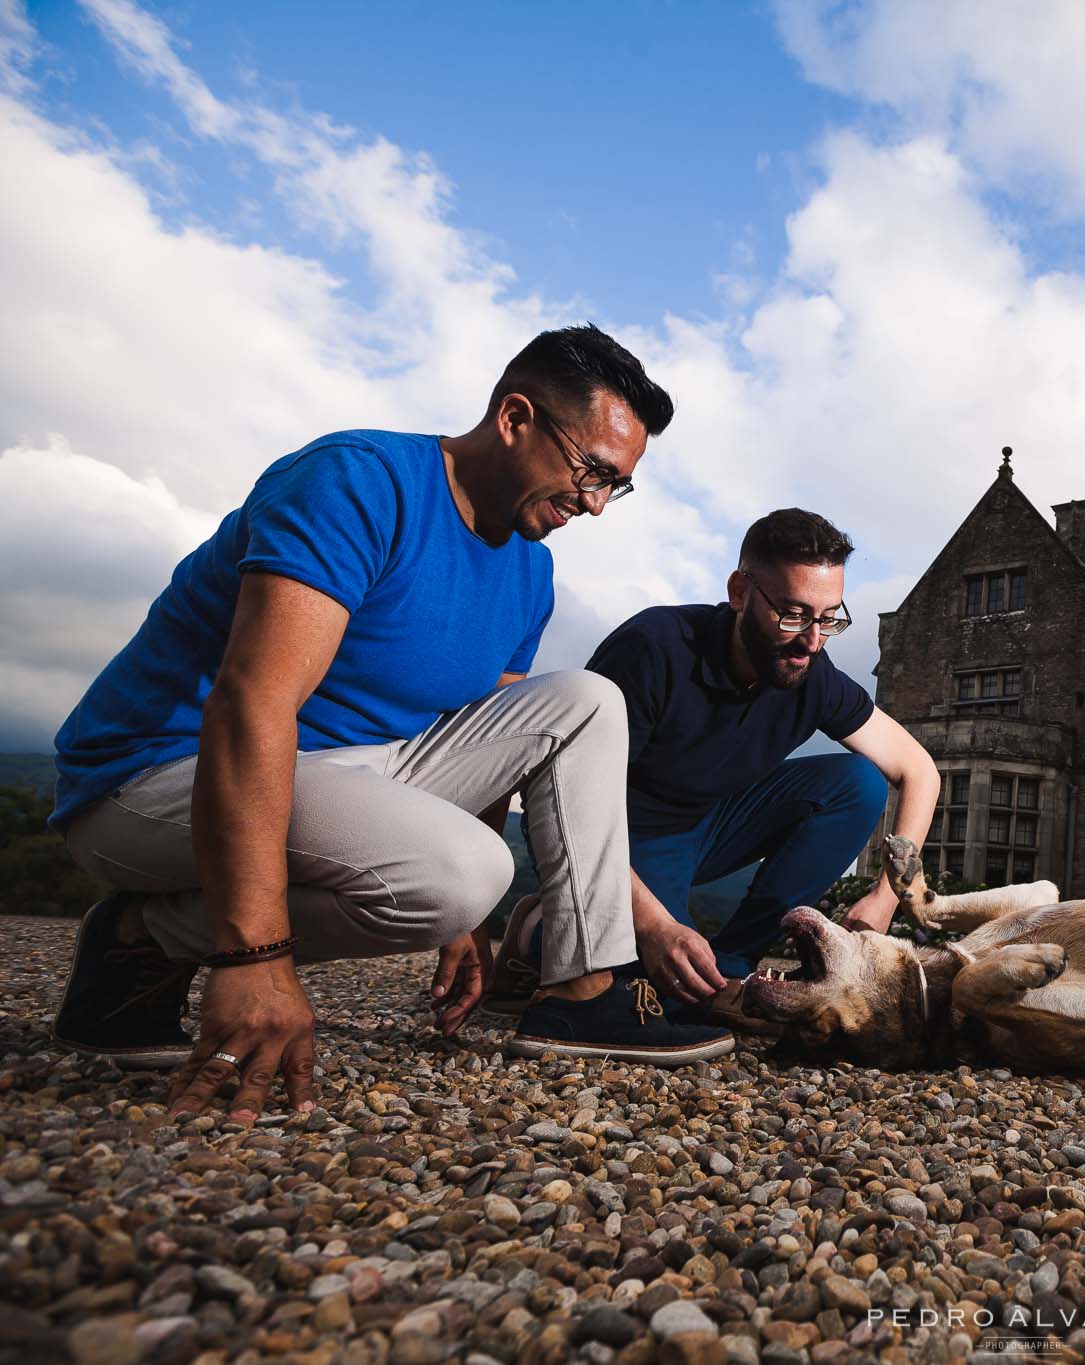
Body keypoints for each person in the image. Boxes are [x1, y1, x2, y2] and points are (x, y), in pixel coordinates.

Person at [49, 324, 733, 1123]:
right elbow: (250, 704)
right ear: (515, 418)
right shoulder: (357, 481)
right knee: (464, 871)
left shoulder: (529, 570)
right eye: (591, 471)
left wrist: (466, 931)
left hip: (343, 773)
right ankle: (141, 934)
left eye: (615, 486)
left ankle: (583, 993)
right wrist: (253, 955)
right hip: (155, 775)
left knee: (586, 700)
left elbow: (491, 744)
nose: (594, 503)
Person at [486, 509, 938, 1018]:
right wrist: (656, 925)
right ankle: (533, 930)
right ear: (740, 592)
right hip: (617, 836)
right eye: (793, 615)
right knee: (652, 980)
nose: (812, 640)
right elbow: (566, 806)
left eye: (829, 617)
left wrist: (887, 898)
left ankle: (736, 961)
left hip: (712, 823)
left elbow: (919, 770)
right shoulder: (654, 648)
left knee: (858, 783)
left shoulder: (814, 672)